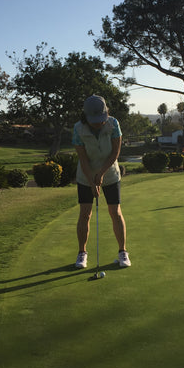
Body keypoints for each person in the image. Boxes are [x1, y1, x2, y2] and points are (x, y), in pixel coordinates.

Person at [72, 95, 131, 269]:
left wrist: (102, 173)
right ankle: (82, 253)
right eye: (94, 121)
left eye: (101, 119)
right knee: (85, 213)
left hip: (111, 173)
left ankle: (122, 252)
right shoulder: (78, 128)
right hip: (85, 175)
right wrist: (92, 181)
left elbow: (115, 152)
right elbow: (82, 158)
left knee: (115, 212)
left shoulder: (113, 124)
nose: (99, 123)